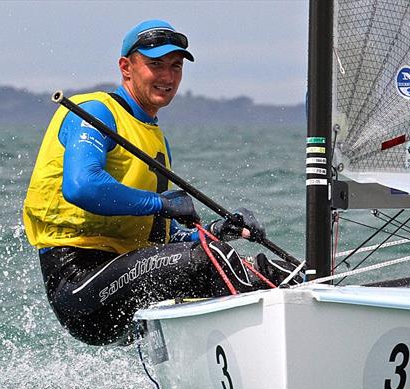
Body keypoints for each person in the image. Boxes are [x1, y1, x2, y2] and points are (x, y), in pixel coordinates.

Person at [23, 20, 298, 346]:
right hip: (81, 286)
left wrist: (219, 228)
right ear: (126, 67)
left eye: (176, 67)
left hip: (135, 275)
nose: (168, 77)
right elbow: (82, 186)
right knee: (207, 258)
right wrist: (161, 203)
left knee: (284, 270)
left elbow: (161, 237)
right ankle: (271, 340)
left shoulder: (156, 140)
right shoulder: (96, 111)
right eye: (156, 65)